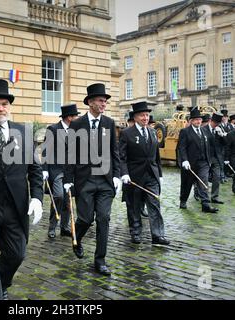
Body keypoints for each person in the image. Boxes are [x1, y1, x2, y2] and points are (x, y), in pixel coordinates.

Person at [0, 79, 43, 300]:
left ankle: (0, 283)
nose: (1, 108)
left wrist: (37, 198)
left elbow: (35, 170)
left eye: (4, 104)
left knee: (17, 253)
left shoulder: (23, 131)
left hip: (15, 207)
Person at [63, 83, 121, 276]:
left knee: (103, 218)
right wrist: (68, 179)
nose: (103, 104)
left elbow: (115, 152)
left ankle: (100, 260)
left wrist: (118, 176)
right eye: (100, 100)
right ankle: (76, 238)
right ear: (90, 102)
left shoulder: (109, 123)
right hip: (85, 181)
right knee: (86, 219)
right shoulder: (77, 124)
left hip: (105, 181)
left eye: (105, 101)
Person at [119, 102, 169, 245]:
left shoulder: (152, 132)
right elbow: (122, 157)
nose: (145, 118)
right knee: (134, 206)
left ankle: (158, 235)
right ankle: (135, 232)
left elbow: (156, 156)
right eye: (142, 115)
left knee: (154, 204)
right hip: (134, 176)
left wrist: (159, 174)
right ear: (135, 117)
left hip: (151, 175)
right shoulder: (126, 133)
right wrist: (124, 173)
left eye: (147, 115)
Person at [42, 103, 80, 238]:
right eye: (76, 115)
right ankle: (52, 226)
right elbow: (46, 150)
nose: (77, 118)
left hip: (72, 171)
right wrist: (44, 169)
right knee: (58, 196)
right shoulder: (52, 129)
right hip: (56, 170)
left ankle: (64, 227)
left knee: (68, 199)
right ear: (69, 117)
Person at [178, 107, 219, 213]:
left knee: (203, 181)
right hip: (190, 163)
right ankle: (183, 200)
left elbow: (211, 145)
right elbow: (181, 147)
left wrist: (209, 159)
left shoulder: (204, 131)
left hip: (203, 162)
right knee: (187, 184)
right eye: (196, 119)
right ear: (191, 121)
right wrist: (184, 160)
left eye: (200, 119)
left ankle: (205, 204)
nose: (198, 121)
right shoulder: (185, 132)